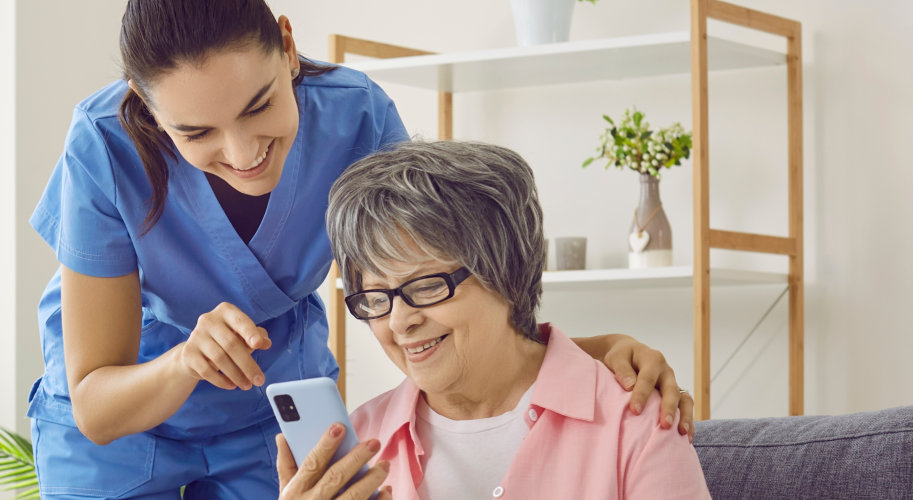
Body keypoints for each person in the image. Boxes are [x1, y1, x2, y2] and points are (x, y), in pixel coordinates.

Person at [30, 2, 695, 498]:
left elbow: (448, 278)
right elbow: (94, 405)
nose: (242, 153)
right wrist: (185, 362)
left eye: (260, 105)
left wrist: (586, 355)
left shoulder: (356, 116)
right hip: (127, 412)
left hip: (274, 403)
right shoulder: (102, 146)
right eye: (198, 132)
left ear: (288, 47)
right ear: (147, 111)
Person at [276, 141, 710, 499]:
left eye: (427, 286)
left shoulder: (634, 423)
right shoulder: (357, 442)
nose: (400, 322)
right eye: (376, 297)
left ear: (505, 273)